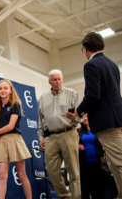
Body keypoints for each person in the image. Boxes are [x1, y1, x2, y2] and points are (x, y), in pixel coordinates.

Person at [71, 32, 122, 199]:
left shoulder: (91, 65)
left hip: (106, 122)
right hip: (117, 118)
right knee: (115, 165)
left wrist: (79, 111)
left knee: (119, 163)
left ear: (85, 49)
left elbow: (94, 95)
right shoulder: (112, 64)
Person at [38, 69, 81, 199]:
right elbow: (41, 119)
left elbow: (81, 117)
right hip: (50, 136)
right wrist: (41, 137)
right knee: (51, 170)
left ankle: (76, 197)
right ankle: (65, 196)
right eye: (55, 80)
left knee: (73, 170)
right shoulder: (43, 98)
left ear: (62, 79)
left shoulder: (72, 94)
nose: (58, 82)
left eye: (60, 79)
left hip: (69, 133)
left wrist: (74, 117)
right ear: (50, 81)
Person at [0, 79, 32, 199]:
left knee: (22, 174)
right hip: (1, 143)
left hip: (15, 140)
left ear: (11, 91)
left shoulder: (15, 104)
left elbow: (10, 126)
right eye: (0, 89)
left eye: (5, 88)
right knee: (2, 175)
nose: (2, 91)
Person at [77, 114, 118, 199]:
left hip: (98, 163)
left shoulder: (98, 130)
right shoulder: (78, 132)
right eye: (84, 117)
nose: (86, 118)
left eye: (88, 116)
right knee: (84, 187)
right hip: (84, 163)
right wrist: (78, 147)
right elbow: (73, 145)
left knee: (98, 187)